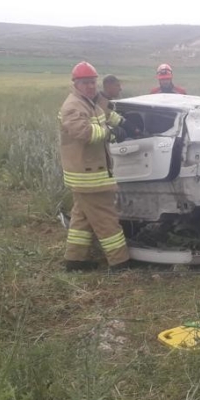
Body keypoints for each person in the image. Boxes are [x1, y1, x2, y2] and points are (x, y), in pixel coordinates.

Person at [59, 61, 132, 271]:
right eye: (85, 83)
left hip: (87, 174)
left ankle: (75, 261)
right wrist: (111, 133)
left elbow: (106, 114)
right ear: (76, 84)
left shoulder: (89, 101)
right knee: (107, 220)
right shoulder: (73, 106)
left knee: (81, 220)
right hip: (89, 175)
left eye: (92, 82)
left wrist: (124, 123)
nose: (91, 86)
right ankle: (120, 262)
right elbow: (84, 132)